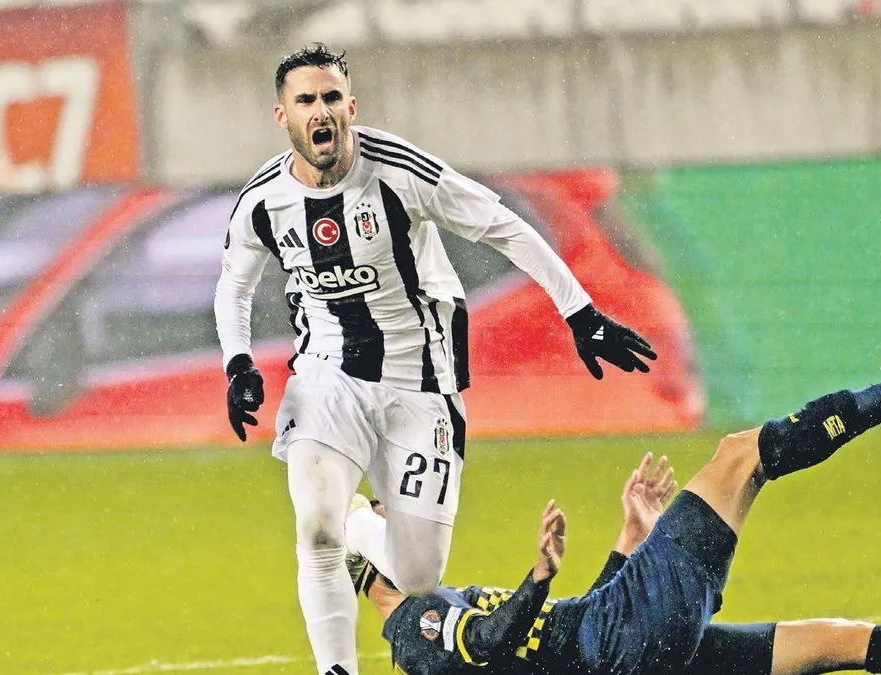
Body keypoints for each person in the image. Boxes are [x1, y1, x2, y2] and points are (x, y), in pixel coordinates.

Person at [341, 281, 881, 675]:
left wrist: (627, 541)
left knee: (834, 642)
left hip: (627, 645)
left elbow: (553, 651)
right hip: (626, 637)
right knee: (741, 455)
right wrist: (538, 577)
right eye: (382, 513)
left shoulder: (428, 610)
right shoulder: (414, 627)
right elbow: (496, 636)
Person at [213, 43, 656, 675]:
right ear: (282, 117)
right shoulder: (263, 200)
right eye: (306, 100)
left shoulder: (399, 171)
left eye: (332, 97)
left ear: (351, 106)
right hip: (326, 374)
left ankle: (361, 524)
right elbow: (232, 286)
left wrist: (579, 313)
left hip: (421, 379)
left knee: (418, 575)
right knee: (315, 531)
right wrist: (237, 364)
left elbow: (503, 226)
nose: (321, 111)